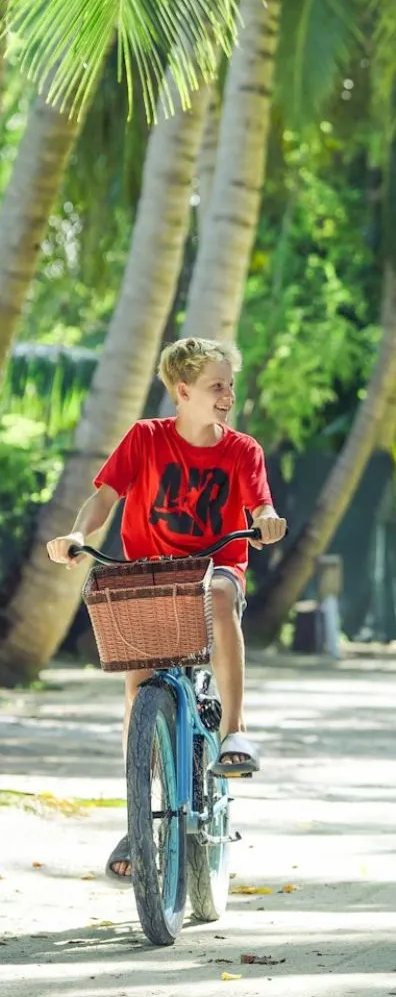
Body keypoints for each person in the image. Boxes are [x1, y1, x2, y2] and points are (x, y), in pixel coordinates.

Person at [47, 337, 287, 879]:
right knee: (137, 691)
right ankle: (139, 818)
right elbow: (105, 496)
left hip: (214, 569)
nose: (228, 394)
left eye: (229, 384)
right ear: (182, 390)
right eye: (216, 386)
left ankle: (234, 730)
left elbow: (260, 502)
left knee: (221, 593)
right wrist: (77, 533)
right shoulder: (145, 438)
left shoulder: (242, 449)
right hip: (153, 575)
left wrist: (268, 517)